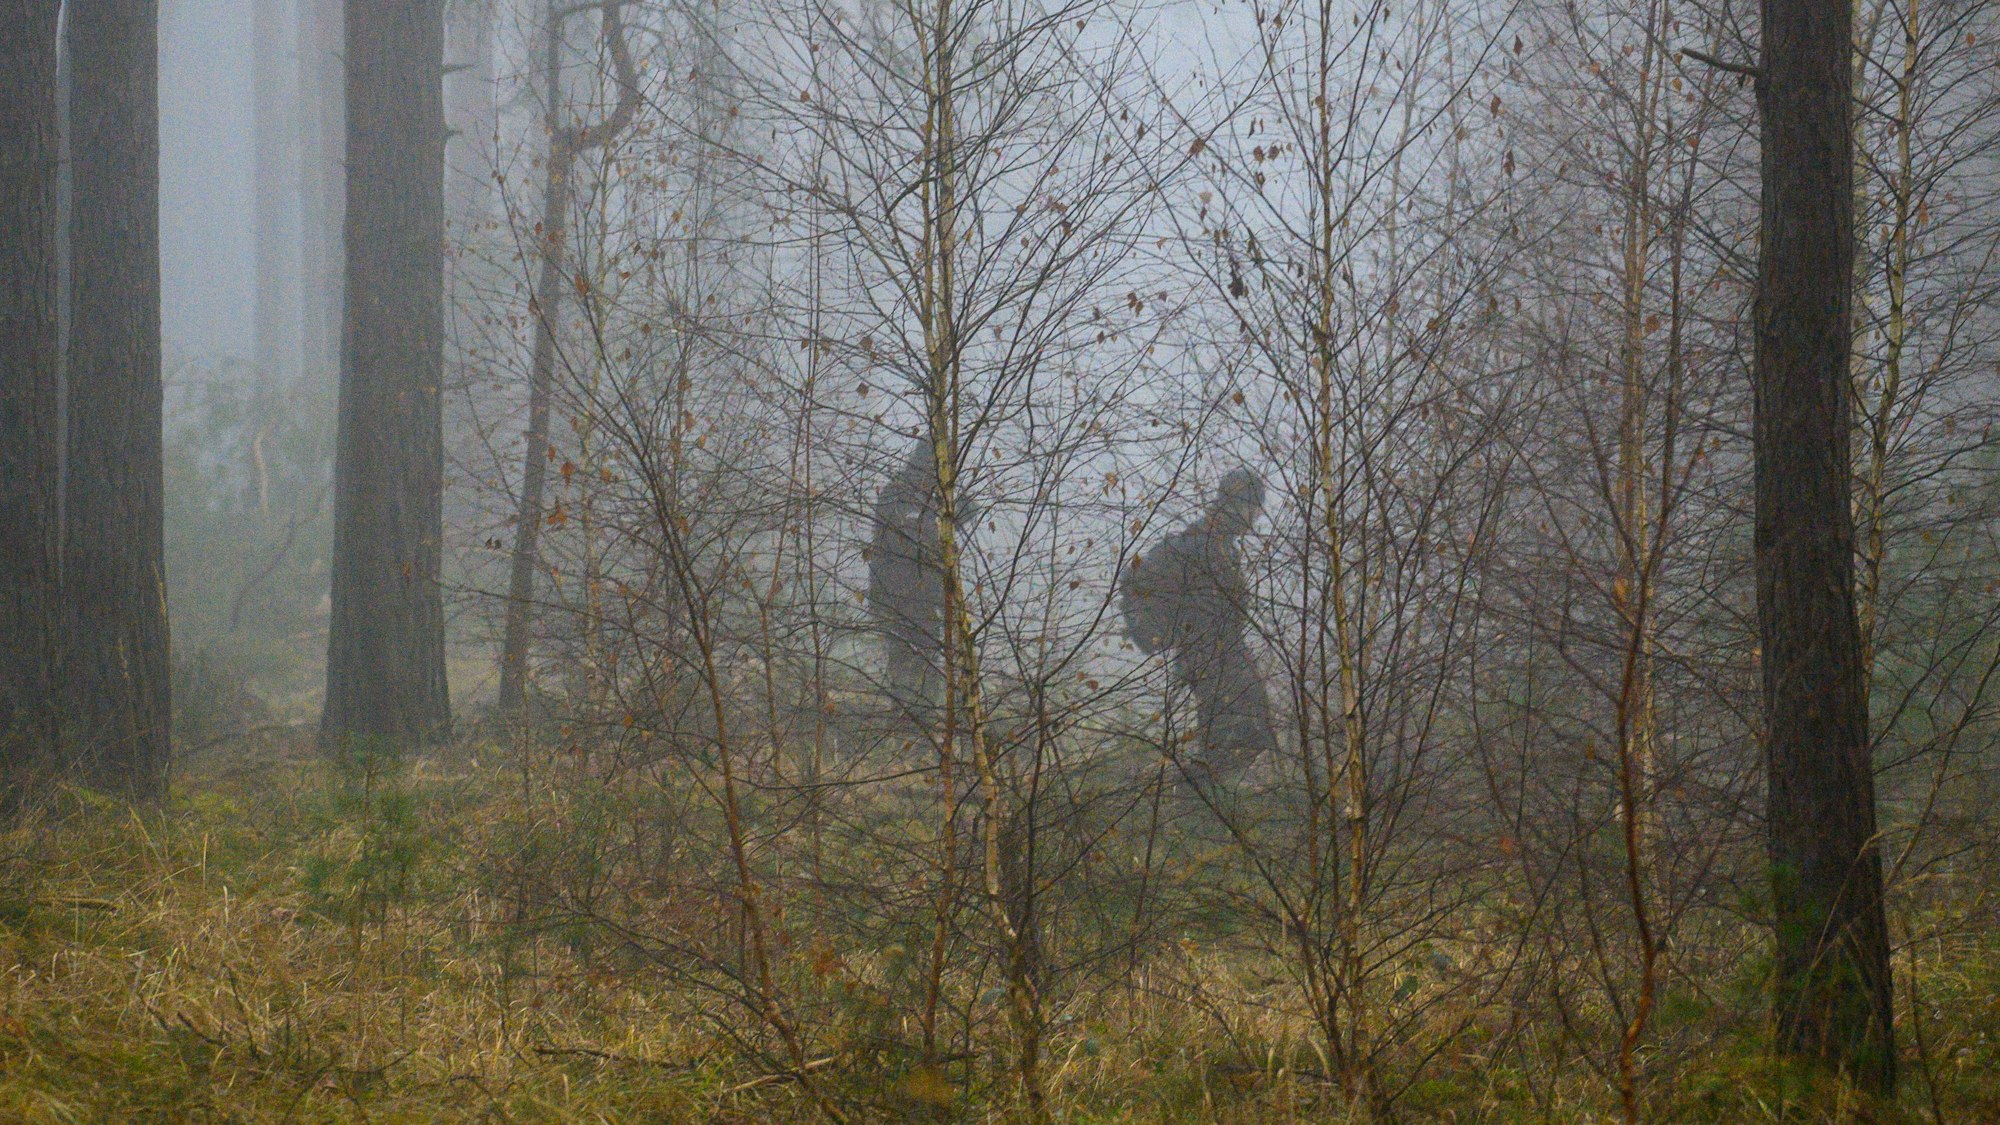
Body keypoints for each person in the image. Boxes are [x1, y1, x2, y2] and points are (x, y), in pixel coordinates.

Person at [1120, 468, 1279, 776]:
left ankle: (1203, 791)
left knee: (1249, 729)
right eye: (1252, 507)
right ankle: (1195, 792)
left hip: (1224, 650)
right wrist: (1158, 632)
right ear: (1237, 504)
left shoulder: (1222, 547)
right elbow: (1139, 580)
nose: (1256, 517)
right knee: (1234, 732)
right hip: (1208, 655)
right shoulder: (1195, 543)